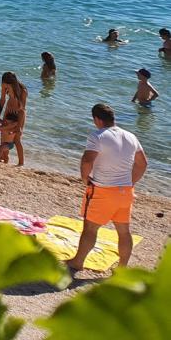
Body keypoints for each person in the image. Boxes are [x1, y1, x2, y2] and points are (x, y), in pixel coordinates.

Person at [66, 103, 146, 271]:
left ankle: (78, 262)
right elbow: (142, 164)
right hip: (125, 192)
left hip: (102, 191)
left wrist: (84, 178)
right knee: (124, 231)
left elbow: (87, 160)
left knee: (90, 229)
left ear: (97, 119)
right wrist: (130, 182)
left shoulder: (98, 136)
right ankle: (122, 268)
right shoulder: (131, 136)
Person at [0, 72, 28, 165]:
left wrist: (19, 126)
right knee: (3, 136)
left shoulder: (23, 91)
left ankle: (21, 163)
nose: (3, 86)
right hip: (9, 110)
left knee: (17, 139)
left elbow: (22, 110)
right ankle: (5, 159)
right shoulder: (4, 86)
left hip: (19, 113)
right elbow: (3, 99)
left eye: (5, 84)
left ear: (10, 83)